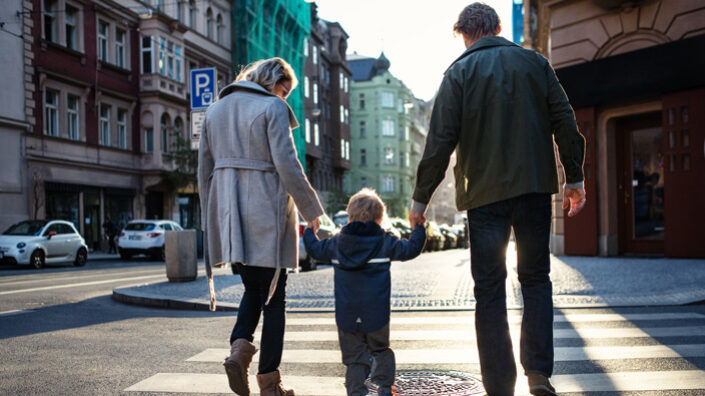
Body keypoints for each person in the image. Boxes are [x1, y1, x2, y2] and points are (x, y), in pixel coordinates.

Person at [409, 3, 587, 396]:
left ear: (465, 34)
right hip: (535, 188)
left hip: (483, 197)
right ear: (498, 27)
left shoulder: (457, 74)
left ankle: (498, 385)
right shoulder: (534, 64)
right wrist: (574, 176)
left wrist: (420, 200)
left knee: (489, 290)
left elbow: (439, 144)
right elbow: (565, 121)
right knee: (536, 279)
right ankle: (538, 375)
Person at [198, 57, 324, 396]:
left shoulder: (215, 110)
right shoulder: (273, 108)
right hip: (265, 213)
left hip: (230, 215)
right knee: (274, 299)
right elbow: (288, 163)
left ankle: (239, 353)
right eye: (283, 91)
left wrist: (211, 218)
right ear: (270, 82)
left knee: (253, 290)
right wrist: (311, 210)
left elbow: (203, 171)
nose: (284, 98)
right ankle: (270, 383)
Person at [303, 188, 426, 396]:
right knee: (380, 350)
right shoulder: (384, 242)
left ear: (349, 216)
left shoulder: (337, 243)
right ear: (380, 218)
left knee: (354, 359)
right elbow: (411, 249)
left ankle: (356, 392)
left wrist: (310, 231)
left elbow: (314, 249)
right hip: (376, 313)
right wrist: (419, 228)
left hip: (347, 314)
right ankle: (384, 388)